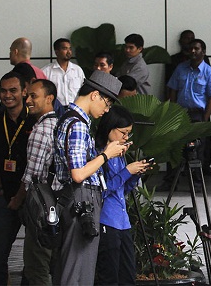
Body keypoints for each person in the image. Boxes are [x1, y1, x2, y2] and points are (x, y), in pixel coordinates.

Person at [53, 70, 128, 285]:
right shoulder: (77, 124)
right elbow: (78, 173)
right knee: (78, 271)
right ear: (94, 95)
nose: (106, 110)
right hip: (81, 200)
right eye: (107, 103)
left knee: (73, 267)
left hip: (74, 199)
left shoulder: (69, 118)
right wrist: (106, 155)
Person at [0, 71, 35, 285]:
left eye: (13, 90)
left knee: (33, 256)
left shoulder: (34, 119)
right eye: (3, 90)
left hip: (32, 197)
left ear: (23, 92)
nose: (7, 95)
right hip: (5, 198)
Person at [94, 105, 152, 285]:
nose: (126, 138)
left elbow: (122, 190)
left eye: (129, 134)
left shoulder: (119, 154)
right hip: (106, 220)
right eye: (123, 133)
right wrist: (127, 171)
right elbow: (101, 190)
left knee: (127, 275)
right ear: (109, 128)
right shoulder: (99, 154)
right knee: (109, 276)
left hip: (122, 221)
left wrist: (135, 175)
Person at [21, 80, 59, 285]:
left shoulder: (41, 130)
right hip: (60, 204)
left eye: (33, 96)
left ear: (49, 98)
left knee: (37, 266)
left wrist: (20, 202)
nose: (27, 100)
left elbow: (32, 176)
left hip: (41, 205)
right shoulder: (61, 124)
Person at [166, 39, 211, 184]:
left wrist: (204, 119)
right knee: (175, 147)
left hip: (198, 115)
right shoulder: (180, 68)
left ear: (204, 51)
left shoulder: (210, 73)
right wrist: (172, 111)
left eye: (196, 48)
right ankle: (171, 181)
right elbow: (173, 90)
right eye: (191, 49)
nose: (193, 51)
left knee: (197, 149)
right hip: (180, 113)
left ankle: (196, 181)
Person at [42, 38, 86, 106]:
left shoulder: (77, 70)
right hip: (55, 110)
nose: (69, 52)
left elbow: (84, 91)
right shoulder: (46, 71)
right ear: (57, 52)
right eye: (65, 49)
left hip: (74, 110)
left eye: (70, 49)